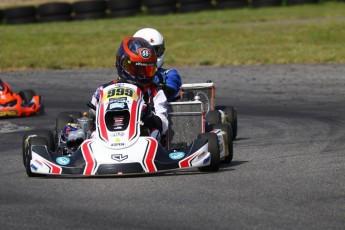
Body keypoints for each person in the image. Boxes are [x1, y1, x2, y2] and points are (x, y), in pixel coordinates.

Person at [90, 37, 168, 140]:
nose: (142, 75)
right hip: (105, 138)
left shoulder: (156, 92)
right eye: (136, 69)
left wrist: (148, 116)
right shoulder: (102, 90)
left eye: (146, 70)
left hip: (141, 139)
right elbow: (92, 117)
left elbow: (164, 125)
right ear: (122, 64)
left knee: (155, 131)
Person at [133, 28, 182, 102]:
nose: (150, 56)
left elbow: (169, 92)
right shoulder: (129, 75)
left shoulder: (170, 74)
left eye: (154, 50)